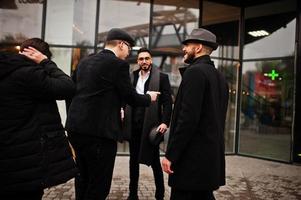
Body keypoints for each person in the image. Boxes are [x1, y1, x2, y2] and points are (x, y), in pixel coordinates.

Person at [65, 28, 160, 200]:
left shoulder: (85, 62)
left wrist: (72, 119)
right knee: (99, 186)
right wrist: (148, 97)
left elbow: (71, 92)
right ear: (121, 44)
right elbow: (130, 96)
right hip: (99, 135)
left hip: (76, 130)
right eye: (129, 48)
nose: (129, 52)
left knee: (82, 178)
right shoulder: (118, 64)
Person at [0, 38, 77, 200]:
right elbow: (67, 87)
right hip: (26, 157)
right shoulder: (28, 73)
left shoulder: (6, 70)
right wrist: (45, 62)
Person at [161, 28, 229, 200]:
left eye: (187, 45)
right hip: (208, 161)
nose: (183, 49)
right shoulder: (219, 77)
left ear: (198, 48)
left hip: (191, 162)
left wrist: (171, 155)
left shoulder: (195, 73)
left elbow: (188, 120)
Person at [124, 48, 172, 200]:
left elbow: (167, 103)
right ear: (137, 61)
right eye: (141, 59)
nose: (144, 61)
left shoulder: (162, 77)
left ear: (151, 60)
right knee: (133, 161)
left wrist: (165, 122)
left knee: (154, 162)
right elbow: (126, 97)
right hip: (134, 125)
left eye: (147, 58)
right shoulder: (132, 77)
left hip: (151, 127)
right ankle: (133, 195)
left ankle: (159, 195)